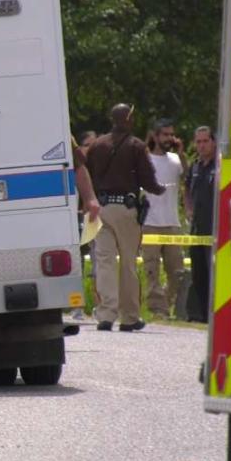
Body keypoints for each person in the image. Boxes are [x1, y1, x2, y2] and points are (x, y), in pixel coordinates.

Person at [86, 104, 165, 332]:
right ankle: (129, 317)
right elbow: (148, 180)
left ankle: (106, 314)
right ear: (128, 119)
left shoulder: (97, 145)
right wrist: (160, 190)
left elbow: (86, 175)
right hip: (126, 208)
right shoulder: (136, 146)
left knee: (104, 262)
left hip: (100, 209)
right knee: (128, 263)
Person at [142, 119, 188, 318]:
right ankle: (158, 310)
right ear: (155, 136)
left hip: (172, 223)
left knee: (177, 270)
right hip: (150, 223)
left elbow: (188, 177)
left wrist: (182, 154)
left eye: (172, 134)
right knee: (151, 269)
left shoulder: (176, 160)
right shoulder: (145, 159)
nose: (170, 138)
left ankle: (170, 304)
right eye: (165, 134)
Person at [185, 126, 217, 323]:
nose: (202, 145)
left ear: (213, 141)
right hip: (197, 229)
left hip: (215, 229)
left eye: (205, 141)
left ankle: (215, 314)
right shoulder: (195, 166)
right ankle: (202, 315)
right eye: (198, 142)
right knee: (198, 274)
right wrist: (188, 208)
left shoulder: (221, 165)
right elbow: (186, 188)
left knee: (213, 272)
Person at [70, 132, 101, 320]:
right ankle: (77, 305)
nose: (92, 149)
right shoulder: (77, 165)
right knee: (77, 262)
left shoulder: (102, 164)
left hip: (93, 216)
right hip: (76, 216)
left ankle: (100, 305)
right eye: (88, 145)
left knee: (98, 261)